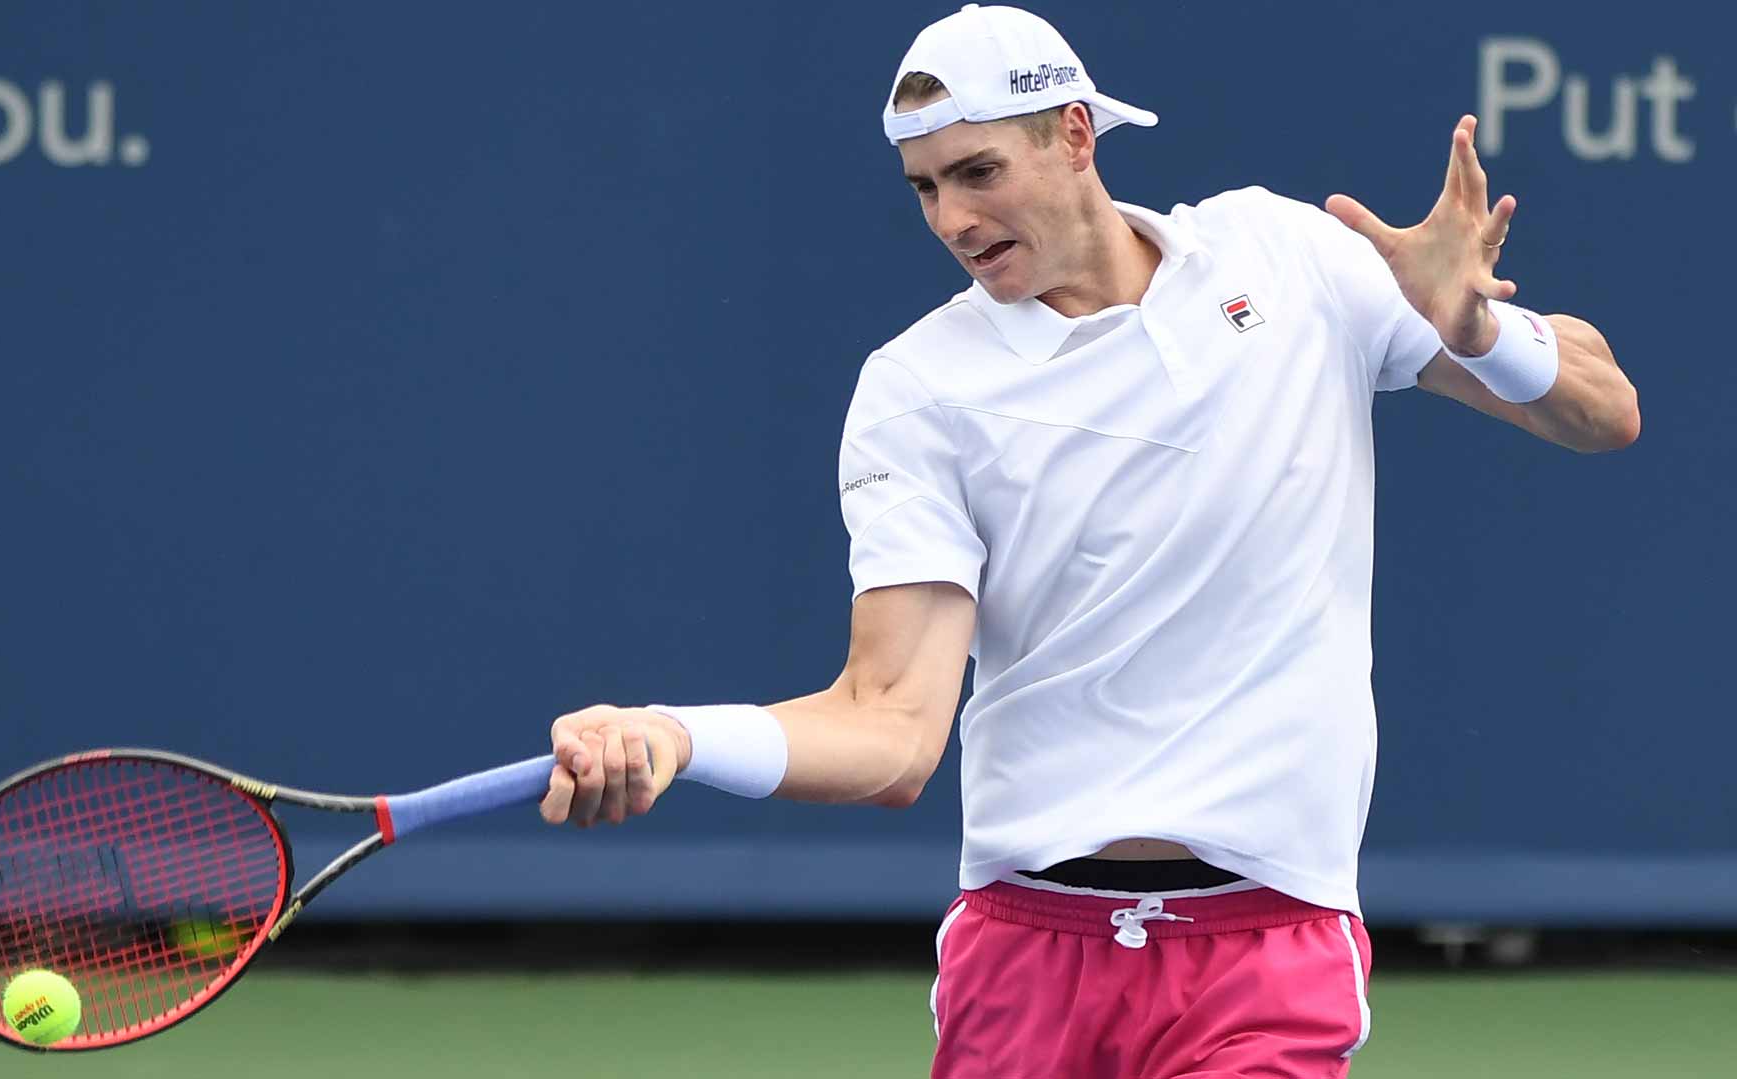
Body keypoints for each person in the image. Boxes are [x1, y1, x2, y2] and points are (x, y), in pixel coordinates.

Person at [537, 4, 1639, 1076]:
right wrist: (677, 734)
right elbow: (888, 730)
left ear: (1073, 135)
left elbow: (1604, 410)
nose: (953, 220)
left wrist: (1481, 330)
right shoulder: (917, 389)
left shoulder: (1288, 258)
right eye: (925, 188)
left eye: (978, 173)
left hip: (1266, 949)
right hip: (1024, 949)